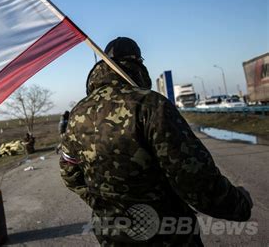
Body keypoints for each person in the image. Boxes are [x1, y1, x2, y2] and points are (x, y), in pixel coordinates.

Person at [59, 37, 252, 246]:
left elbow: (70, 172)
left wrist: (104, 205)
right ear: (137, 62)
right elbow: (195, 180)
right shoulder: (150, 105)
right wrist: (239, 203)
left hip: (112, 237)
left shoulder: (78, 113)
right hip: (166, 236)